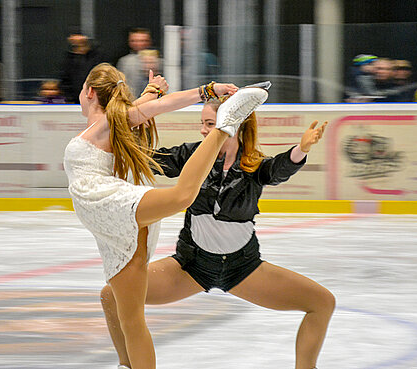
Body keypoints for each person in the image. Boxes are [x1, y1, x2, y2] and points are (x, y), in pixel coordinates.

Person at [100, 96, 332, 369]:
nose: (202, 130)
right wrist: (138, 116)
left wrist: (301, 149)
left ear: (233, 125)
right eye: (202, 123)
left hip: (243, 268)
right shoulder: (192, 156)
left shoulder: (254, 165)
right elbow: (152, 160)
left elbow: (278, 169)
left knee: (323, 302)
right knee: (111, 295)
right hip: (191, 267)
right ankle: (127, 366)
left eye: (210, 123)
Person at [63, 63, 269, 369]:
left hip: (112, 203)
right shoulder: (114, 121)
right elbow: (143, 107)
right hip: (109, 225)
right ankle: (127, 365)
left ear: (90, 92)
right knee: (126, 313)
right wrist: (151, 91)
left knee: (182, 196)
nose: (80, 95)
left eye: (81, 90)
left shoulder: (108, 122)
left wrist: (207, 92)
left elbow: (158, 106)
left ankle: (226, 125)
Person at [60, 29, 108, 103]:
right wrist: (70, 99)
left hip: (96, 100)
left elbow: (104, 77)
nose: (76, 39)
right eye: (73, 36)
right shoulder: (68, 59)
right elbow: (65, 80)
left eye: (79, 35)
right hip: (75, 102)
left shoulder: (97, 56)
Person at [116, 28, 155, 97]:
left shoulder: (159, 61)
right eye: (134, 41)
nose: (139, 44)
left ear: (149, 41)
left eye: (142, 41)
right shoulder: (124, 62)